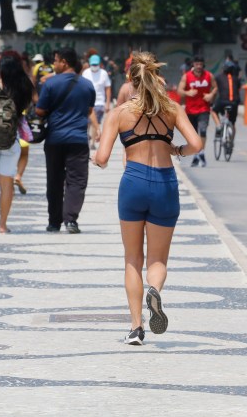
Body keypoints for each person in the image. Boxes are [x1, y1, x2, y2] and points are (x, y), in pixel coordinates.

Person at [93, 52, 202, 345]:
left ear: (130, 80)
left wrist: (97, 159)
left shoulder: (119, 113)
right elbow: (196, 143)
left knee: (132, 258)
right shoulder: (172, 108)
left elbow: (102, 157)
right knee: (157, 258)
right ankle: (154, 288)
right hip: (165, 183)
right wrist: (176, 151)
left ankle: (136, 328)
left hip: (134, 183)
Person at [35, 47, 99, 233]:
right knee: (77, 180)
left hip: (54, 139)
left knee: (54, 179)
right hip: (78, 139)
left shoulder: (50, 84)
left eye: (55, 60)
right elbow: (88, 110)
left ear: (64, 62)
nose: (53, 64)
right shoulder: (87, 85)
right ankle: (71, 220)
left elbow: (40, 110)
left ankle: (54, 221)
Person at [0, 54, 34, 233]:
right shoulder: (22, 87)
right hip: (11, 141)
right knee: (6, 183)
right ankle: (2, 225)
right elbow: (28, 108)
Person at [177, 55, 217, 167]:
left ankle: (202, 153)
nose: (199, 66)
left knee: (203, 131)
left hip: (204, 108)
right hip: (190, 110)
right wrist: (187, 93)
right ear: (193, 65)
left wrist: (211, 94)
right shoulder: (187, 76)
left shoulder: (209, 75)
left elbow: (215, 87)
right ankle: (196, 155)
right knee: (194, 135)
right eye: (196, 64)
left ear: (203, 65)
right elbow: (180, 90)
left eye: (200, 64)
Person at [82, 54, 113, 149]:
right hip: (87, 102)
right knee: (87, 122)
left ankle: (92, 143)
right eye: (93, 64)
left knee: (96, 123)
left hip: (99, 102)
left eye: (96, 64)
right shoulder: (86, 73)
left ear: (99, 64)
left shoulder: (103, 73)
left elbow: (108, 88)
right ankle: (86, 139)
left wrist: (107, 103)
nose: (94, 66)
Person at [212, 60, 241, 138]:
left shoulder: (218, 77)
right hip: (234, 103)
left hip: (222, 101)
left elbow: (215, 88)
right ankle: (231, 143)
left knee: (213, 111)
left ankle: (218, 126)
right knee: (233, 123)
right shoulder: (236, 78)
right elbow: (238, 89)